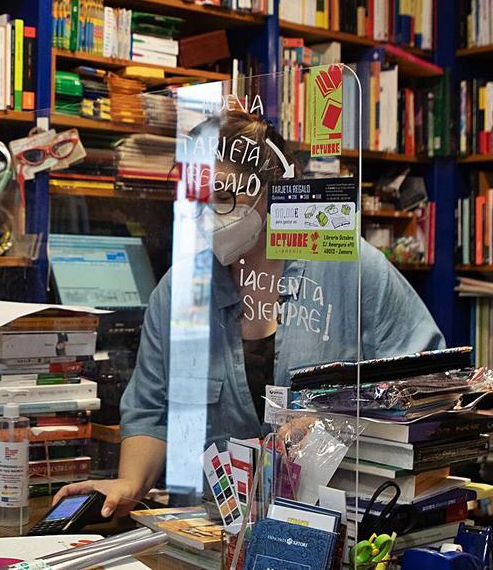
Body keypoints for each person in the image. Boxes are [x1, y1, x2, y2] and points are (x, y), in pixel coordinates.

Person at [55, 109, 445, 518]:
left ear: (273, 192)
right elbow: (153, 413)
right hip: (214, 530)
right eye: (198, 199)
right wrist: (129, 483)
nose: (209, 215)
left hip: (338, 523)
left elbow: (430, 391)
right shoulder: (180, 291)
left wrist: (337, 419)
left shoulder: (350, 269)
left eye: (224, 197)